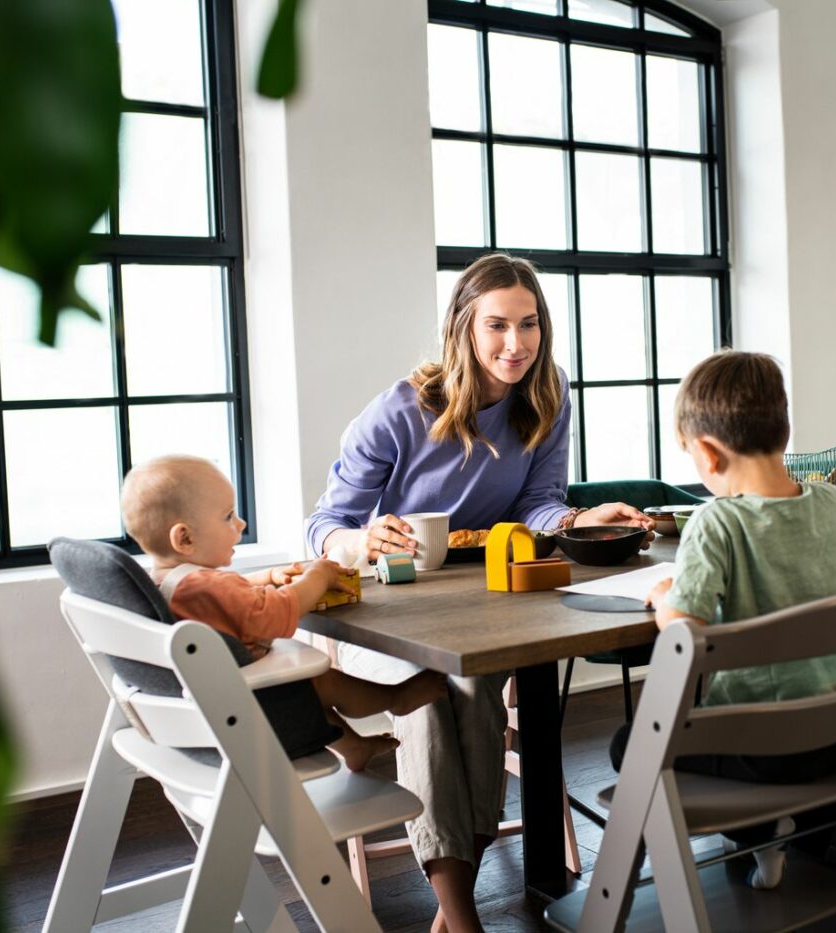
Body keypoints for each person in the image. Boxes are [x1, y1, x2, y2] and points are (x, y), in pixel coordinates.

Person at [306, 252, 653, 933]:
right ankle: (463, 916)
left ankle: (453, 908)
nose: (515, 343)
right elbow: (324, 525)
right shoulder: (400, 411)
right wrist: (361, 539)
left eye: (529, 324)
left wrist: (578, 520)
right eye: (496, 325)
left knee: (473, 692)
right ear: (463, 327)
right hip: (387, 611)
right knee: (432, 699)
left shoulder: (547, 395)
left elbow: (538, 503)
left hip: (484, 606)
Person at [617, 350, 836, 890]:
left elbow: (684, 627)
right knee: (799, 719)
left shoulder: (716, 523)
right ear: (784, 432)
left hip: (761, 750)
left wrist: (665, 596)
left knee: (629, 743)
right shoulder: (835, 502)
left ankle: (761, 827)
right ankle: (788, 839)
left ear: (709, 455)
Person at [120, 454, 447, 771]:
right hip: (254, 714)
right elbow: (277, 614)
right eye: (228, 517)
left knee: (299, 682)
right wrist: (317, 577)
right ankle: (397, 697)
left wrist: (266, 577)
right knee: (320, 681)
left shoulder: (167, 583)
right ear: (185, 538)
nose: (241, 523)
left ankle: (354, 748)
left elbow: (224, 594)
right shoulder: (204, 586)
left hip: (220, 708)